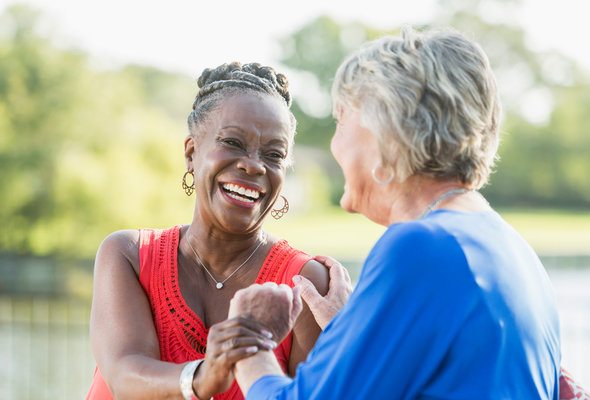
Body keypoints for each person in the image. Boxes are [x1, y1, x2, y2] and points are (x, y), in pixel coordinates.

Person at [225, 27, 562, 399]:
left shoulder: (423, 248)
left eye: (341, 121)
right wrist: (351, 330)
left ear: (384, 138)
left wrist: (250, 338)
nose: (335, 145)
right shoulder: (506, 245)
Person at [85, 62, 329, 400]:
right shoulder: (128, 255)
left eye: (274, 154)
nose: (253, 165)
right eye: (232, 142)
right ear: (191, 153)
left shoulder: (305, 285)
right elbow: (125, 375)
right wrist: (205, 375)